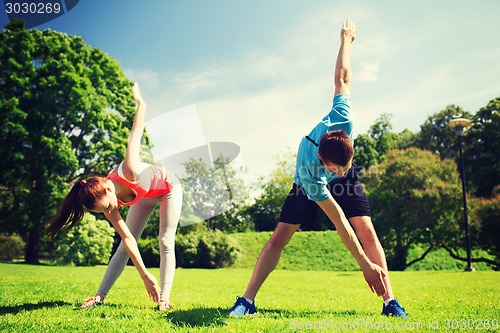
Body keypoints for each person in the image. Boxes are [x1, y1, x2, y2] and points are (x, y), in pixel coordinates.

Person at [228, 19, 407, 317]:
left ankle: (390, 302)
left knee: (367, 228)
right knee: (279, 237)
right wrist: (364, 264)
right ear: (324, 161)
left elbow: (343, 78)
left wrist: (345, 41)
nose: (340, 172)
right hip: (308, 185)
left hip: (334, 168)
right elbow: (339, 222)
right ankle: (246, 301)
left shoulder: (343, 120)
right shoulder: (310, 171)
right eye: (336, 168)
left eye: (344, 166)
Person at [46, 82, 183, 311]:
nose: (109, 211)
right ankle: (99, 296)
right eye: (104, 211)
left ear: (109, 189)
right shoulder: (108, 204)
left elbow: (136, 131)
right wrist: (145, 275)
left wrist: (140, 102)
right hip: (144, 196)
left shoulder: (130, 168)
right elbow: (129, 240)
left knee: (165, 240)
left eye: (107, 207)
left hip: (169, 188)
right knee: (122, 246)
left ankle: (164, 299)